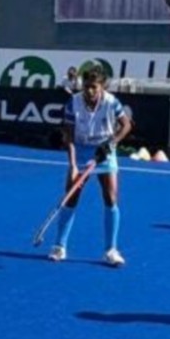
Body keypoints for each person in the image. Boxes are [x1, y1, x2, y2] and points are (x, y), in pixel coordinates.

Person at [46, 65, 133, 265]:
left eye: (94, 87)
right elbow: (68, 136)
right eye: (86, 86)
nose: (90, 91)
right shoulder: (73, 103)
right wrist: (74, 165)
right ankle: (59, 246)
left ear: (102, 86)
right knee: (71, 197)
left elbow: (126, 124)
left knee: (111, 197)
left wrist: (111, 143)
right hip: (81, 150)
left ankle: (110, 250)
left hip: (105, 149)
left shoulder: (112, 102)